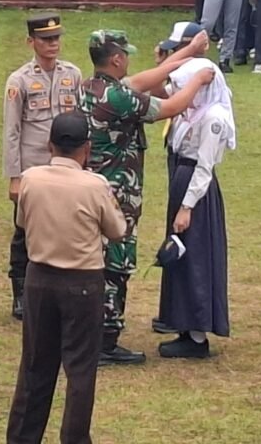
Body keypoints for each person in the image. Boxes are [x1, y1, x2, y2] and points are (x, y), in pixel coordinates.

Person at [79, 29, 215, 366]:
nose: (128, 60)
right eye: (125, 54)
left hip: (91, 191)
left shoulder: (91, 87)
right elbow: (171, 106)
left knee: (94, 261)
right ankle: (105, 342)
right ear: (117, 59)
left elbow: (148, 77)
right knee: (116, 264)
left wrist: (189, 52)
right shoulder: (119, 98)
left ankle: (90, 333)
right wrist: (198, 79)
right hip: (117, 196)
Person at [6, 111, 127, 444]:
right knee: (80, 370)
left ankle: (22, 438)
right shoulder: (95, 185)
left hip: (39, 279)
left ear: (50, 146)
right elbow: (117, 229)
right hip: (82, 282)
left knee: (34, 366)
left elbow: (22, 223)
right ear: (87, 149)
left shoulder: (30, 179)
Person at [2, 14, 82, 320]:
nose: (53, 44)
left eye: (56, 38)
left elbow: (80, 121)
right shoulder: (19, 80)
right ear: (31, 42)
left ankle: (60, 292)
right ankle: (20, 293)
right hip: (33, 170)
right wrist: (14, 176)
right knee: (25, 231)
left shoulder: (72, 74)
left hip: (67, 168)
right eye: (46, 39)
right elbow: (12, 131)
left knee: (66, 228)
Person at [157, 54, 235, 360]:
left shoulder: (213, 117)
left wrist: (187, 206)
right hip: (183, 181)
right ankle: (182, 323)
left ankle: (197, 334)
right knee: (181, 255)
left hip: (195, 191)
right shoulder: (193, 112)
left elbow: (204, 167)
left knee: (196, 258)